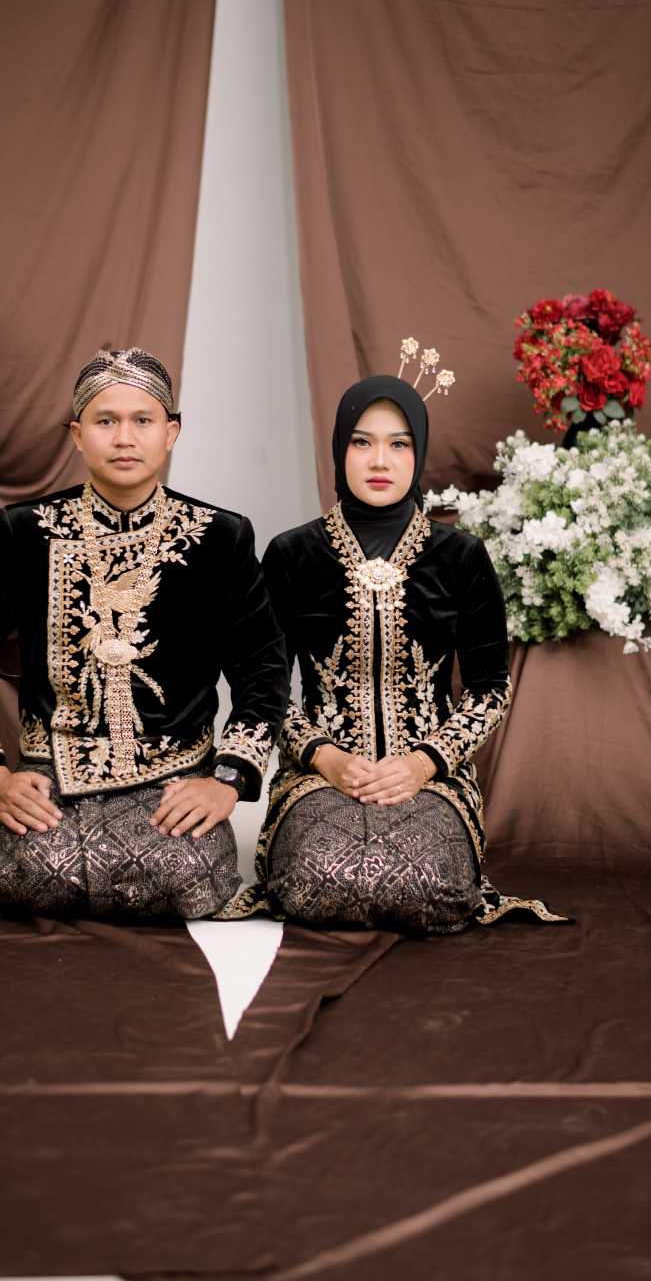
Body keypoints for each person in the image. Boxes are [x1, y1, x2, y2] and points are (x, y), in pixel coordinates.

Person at [0, 347, 289, 921]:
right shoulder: (24, 532)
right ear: (77, 435)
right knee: (33, 876)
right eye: (105, 421)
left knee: (185, 876)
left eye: (142, 420)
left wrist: (227, 779)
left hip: (174, 775)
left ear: (171, 433)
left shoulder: (220, 536)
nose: (124, 438)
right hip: (54, 771)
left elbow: (262, 668)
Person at [221, 351, 565, 931]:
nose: (380, 460)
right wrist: (325, 757)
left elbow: (489, 689)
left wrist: (423, 763)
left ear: (418, 453)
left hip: (432, 779)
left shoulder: (461, 556)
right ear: (339, 449)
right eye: (362, 442)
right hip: (318, 776)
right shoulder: (293, 554)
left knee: (428, 884)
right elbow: (264, 684)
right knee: (317, 880)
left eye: (399, 444)